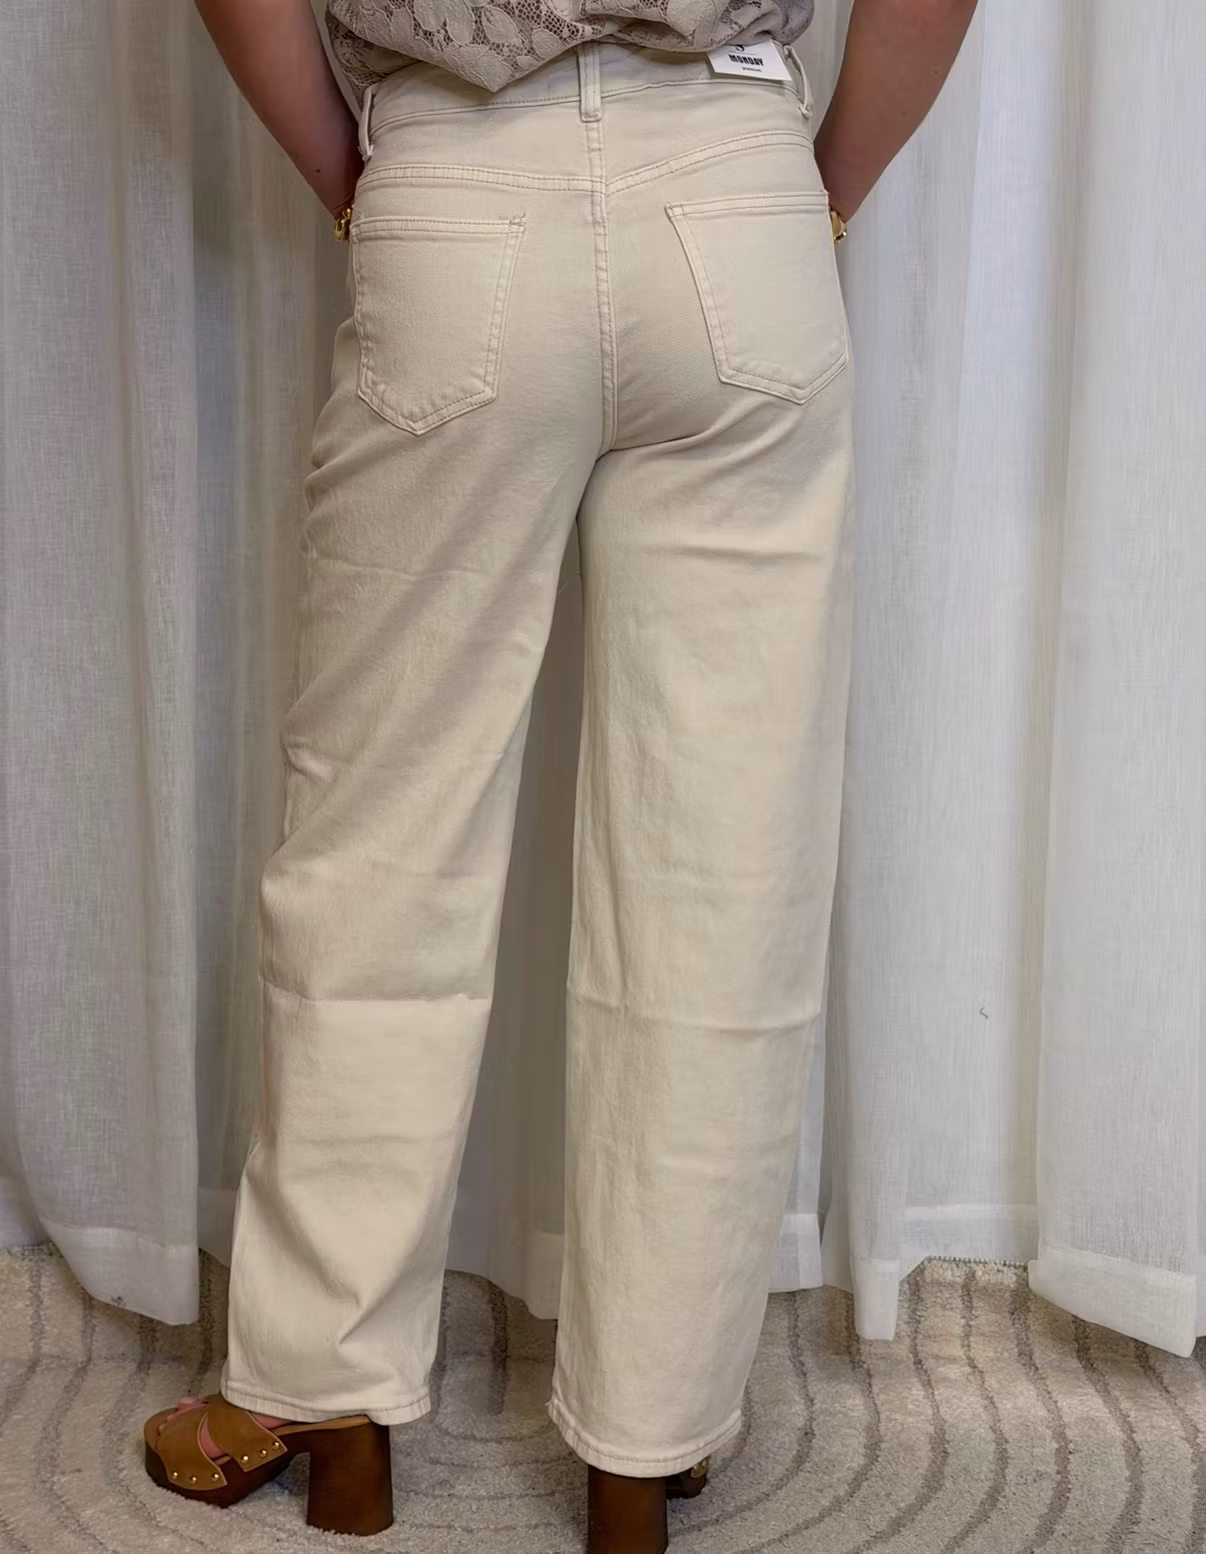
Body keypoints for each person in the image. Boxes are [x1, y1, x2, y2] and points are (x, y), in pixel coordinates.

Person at [142, 0, 977, 1547]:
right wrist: (815, 192)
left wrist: (358, 181)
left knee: (379, 848)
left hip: (456, 190)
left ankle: (327, 1396)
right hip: (737, 202)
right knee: (717, 872)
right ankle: (643, 1445)